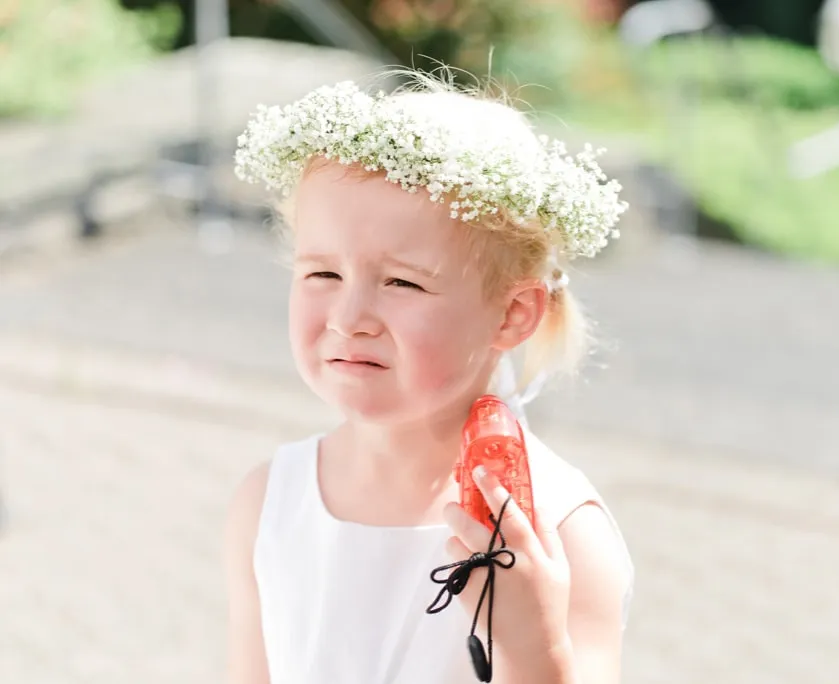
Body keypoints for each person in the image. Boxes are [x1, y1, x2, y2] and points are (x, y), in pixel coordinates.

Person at [224, 71, 635, 684]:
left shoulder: (557, 533)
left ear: (512, 313)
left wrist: (534, 647)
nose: (349, 318)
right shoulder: (269, 502)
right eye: (322, 275)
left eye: (402, 282)